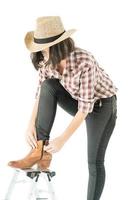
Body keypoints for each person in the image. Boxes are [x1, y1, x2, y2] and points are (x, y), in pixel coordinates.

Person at [8, 16, 118, 200]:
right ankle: (40, 152)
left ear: (57, 46)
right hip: (79, 102)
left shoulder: (84, 60)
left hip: (101, 107)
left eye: (43, 48)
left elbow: (85, 108)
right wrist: (30, 125)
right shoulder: (46, 61)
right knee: (49, 86)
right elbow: (41, 93)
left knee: (94, 162)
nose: (41, 53)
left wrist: (62, 140)